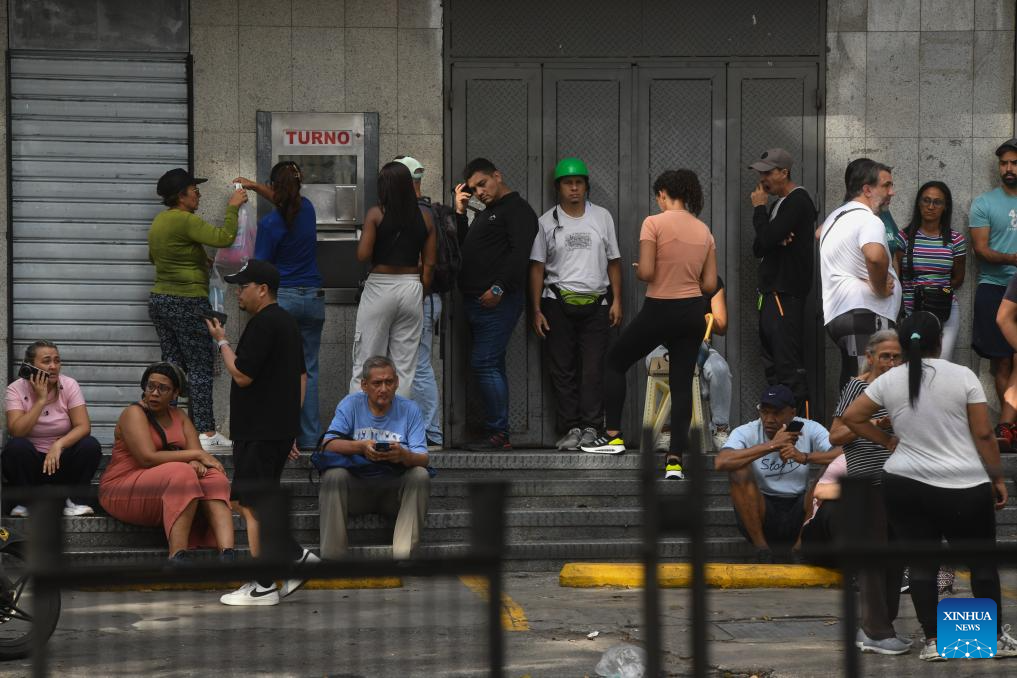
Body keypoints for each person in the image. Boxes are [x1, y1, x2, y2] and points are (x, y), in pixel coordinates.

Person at [842, 311, 1017, 662]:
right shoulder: (962, 376)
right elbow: (983, 433)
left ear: (904, 346)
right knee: (981, 563)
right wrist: (997, 476)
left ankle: (934, 642)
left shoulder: (889, 381)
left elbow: (851, 417)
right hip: (964, 484)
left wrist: (888, 443)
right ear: (939, 341)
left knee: (922, 564)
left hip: (905, 483)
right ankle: (991, 638)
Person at [581, 170, 717, 482]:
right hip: (693, 310)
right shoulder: (704, 230)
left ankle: (613, 437)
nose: (657, 200)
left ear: (665, 193)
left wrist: (642, 268)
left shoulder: (653, 223)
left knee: (615, 360)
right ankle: (674, 463)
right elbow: (709, 283)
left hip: (660, 307)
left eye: (659, 195)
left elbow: (647, 272)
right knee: (682, 383)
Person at [205, 260, 319, 606]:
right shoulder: (285, 323)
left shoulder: (264, 324)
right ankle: (293, 559)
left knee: (252, 504)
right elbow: (302, 377)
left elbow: (242, 375)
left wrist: (222, 342)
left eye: (243, 287)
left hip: (259, 431)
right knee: (247, 500)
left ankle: (265, 582)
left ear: (262, 289)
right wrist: (290, 427)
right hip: (272, 430)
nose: (238, 293)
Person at [148, 167, 247, 450]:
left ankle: (166, 432)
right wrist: (232, 207)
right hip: (187, 301)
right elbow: (224, 237)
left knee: (171, 368)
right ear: (182, 196)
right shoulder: (184, 220)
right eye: (194, 190)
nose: (198, 194)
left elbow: (155, 257)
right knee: (200, 367)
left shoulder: (158, 223)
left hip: (160, 301)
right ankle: (205, 433)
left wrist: (194, 258)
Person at [827, 329, 910, 655]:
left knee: (894, 559)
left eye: (897, 356)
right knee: (874, 561)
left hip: (899, 483)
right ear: (870, 357)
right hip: (867, 484)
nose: (891, 362)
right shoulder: (859, 387)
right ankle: (875, 629)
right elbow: (836, 434)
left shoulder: (903, 389)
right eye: (885, 356)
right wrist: (879, 425)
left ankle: (881, 628)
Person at [530, 157, 622, 451]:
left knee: (593, 369)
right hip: (557, 301)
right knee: (562, 369)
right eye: (568, 183)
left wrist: (617, 299)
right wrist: (536, 309)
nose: (573, 189)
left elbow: (614, 261)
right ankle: (570, 427)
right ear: (558, 188)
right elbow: (537, 267)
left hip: (597, 303)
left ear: (586, 187)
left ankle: (592, 428)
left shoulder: (602, 217)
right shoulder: (546, 222)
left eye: (578, 183)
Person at [99, 363, 234, 562]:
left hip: (164, 483)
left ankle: (227, 553)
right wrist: (192, 457)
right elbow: (147, 458)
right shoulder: (133, 414)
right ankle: (178, 555)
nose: (154, 393)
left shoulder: (180, 416)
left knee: (214, 477)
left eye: (163, 388)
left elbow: (197, 457)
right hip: (122, 489)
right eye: (150, 386)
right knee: (183, 474)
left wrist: (194, 458)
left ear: (175, 393)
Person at [233, 161, 324, 450]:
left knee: (279, 371)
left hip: (283, 300)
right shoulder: (308, 209)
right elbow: (287, 200)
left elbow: (261, 267)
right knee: (307, 369)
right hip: (313, 298)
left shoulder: (270, 225)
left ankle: (284, 435)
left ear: (274, 188)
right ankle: (309, 437)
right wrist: (258, 186)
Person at [453, 158, 539, 451]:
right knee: (490, 363)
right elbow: (464, 249)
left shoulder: (518, 210)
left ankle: (498, 434)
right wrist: (461, 212)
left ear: (497, 176)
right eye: (474, 188)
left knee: (484, 363)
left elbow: (520, 255)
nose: (479, 192)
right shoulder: (487, 213)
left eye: (483, 184)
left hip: (497, 302)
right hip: (476, 301)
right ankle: (497, 432)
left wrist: (499, 287)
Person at [318, 356, 431, 560]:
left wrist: (404, 456)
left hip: (393, 495)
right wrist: (360, 446)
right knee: (333, 475)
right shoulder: (350, 404)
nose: (384, 389)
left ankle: (404, 557)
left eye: (389, 382)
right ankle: (332, 558)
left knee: (420, 475)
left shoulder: (410, 409)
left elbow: (423, 458)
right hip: (358, 492)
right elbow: (328, 444)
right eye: (377, 383)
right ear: (364, 385)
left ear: (397, 382)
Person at [713, 385, 840, 562]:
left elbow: (843, 454)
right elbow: (721, 462)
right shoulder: (746, 431)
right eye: (764, 412)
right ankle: (762, 550)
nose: (769, 419)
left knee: (830, 469)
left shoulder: (810, 428)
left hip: (800, 513)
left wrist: (804, 457)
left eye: (777, 413)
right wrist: (772, 445)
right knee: (738, 469)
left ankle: (799, 548)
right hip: (763, 512)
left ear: (792, 412)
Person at [350, 162, 436, 397]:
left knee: (367, 360)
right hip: (412, 288)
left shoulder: (376, 214)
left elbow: (363, 255)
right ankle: (397, 429)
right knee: (404, 367)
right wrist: (421, 291)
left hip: (380, 287)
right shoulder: (427, 217)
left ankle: (361, 426)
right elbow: (429, 263)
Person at [819, 159, 901, 389]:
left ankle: (842, 424)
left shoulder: (836, 218)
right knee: (869, 390)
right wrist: (878, 285)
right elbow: (875, 256)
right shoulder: (868, 219)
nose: (891, 192)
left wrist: (856, 271)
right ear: (867, 189)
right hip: (865, 315)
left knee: (854, 385)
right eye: (886, 185)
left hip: (843, 315)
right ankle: (846, 425)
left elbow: (818, 233)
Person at [748, 148, 817, 414]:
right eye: (760, 173)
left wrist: (759, 210)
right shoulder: (779, 205)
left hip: (784, 293)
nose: (763, 179)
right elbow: (759, 247)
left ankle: (804, 430)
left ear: (784, 172)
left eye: (767, 172)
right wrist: (773, 237)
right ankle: (780, 430)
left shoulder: (798, 200)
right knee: (774, 366)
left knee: (789, 367)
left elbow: (765, 239)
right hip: (770, 294)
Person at [3, 340, 101, 517]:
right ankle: (26, 502)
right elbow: (16, 431)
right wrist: (40, 400)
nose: (53, 366)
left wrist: (59, 445)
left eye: (57, 361)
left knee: (89, 445)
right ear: (30, 365)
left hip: (60, 462)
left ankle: (74, 501)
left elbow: (84, 426)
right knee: (16, 446)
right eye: (46, 361)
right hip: (32, 466)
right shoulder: (15, 389)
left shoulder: (69, 385)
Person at [645, 276, 732, 451]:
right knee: (659, 365)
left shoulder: (711, 282)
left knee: (719, 368)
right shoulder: (666, 276)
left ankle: (720, 429)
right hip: (665, 345)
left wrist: (698, 318)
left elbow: (721, 325)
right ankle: (666, 430)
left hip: (700, 346)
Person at [395, 155, 444, 448]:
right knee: (416, 364)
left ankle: (430, 431)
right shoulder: (428, 210)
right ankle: (426, 429)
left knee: (419, 365)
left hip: (420, 296)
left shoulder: (414, 213)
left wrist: (418, 295)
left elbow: (423, 262)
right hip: (427, 297)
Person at [972, 138, 1017, 432]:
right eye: (1004, 163)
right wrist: (1014, 258)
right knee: (1001, 362)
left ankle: (1007, 425)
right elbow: (982, 249)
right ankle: (1009, 428)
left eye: (1014, 162)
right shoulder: (984, 203)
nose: (1009, 168)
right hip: (995, 287)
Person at [893, 182, 965, 361]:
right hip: (913, 311)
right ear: (919, 203)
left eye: (937, 202)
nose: (931, 206)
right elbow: (897, 275)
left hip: (945, 310)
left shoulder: (955, 239)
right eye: (926, 200)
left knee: (941, 363)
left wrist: (939, 292)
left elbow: (959, 278)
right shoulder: (905, 237)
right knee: (914, 365)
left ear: (945, 207)